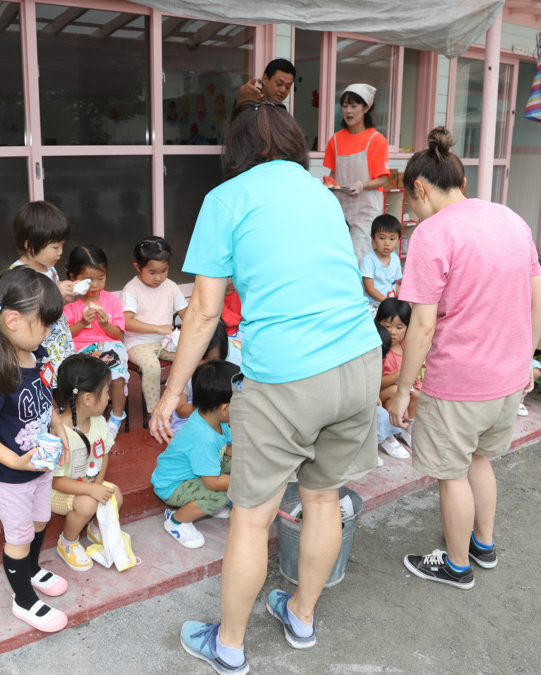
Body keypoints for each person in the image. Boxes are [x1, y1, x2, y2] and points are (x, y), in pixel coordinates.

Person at [151, 98, 381, 673]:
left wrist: (170, 392)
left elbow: (203, 310)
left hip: (287, 375)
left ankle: (228, 645)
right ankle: (300, 614)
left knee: (253, 517)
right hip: (358, 360)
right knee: (323, 497)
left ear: (236, 150)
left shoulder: (226, 199)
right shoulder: (320, 192)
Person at [388, 127, 541, 590]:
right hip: (507, 378)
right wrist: (527, 360)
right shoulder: (508, 218)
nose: (413, 213)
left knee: (451, 473)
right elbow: (539, 294)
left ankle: (456, 565)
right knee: (481, 461)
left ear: (419, 188)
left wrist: (403, 391)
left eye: (410, 202)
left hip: (458, 382)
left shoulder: (432, 234)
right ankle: (484, 544)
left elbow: (420, 324)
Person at [0, 266, 72, 632]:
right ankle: (23, 600)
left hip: (38, 462)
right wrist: (13, 460)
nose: (49, 332)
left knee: (41, 519)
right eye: (44, 324)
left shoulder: (35, 352)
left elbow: (44, 395)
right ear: (13, 320)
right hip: (9, 473)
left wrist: (58, 424)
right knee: (20, 535)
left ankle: (31, 569)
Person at [151, 359, 238, 549]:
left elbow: (229, 450)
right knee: (221, 494)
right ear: (225, 408)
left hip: (193, 474)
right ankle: (177, 521)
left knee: (238, 463)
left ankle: (201, 505)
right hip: (173, 486)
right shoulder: (204, 437)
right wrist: (243, 480)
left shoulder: (215, 419)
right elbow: (212, 482)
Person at [50, 353, 123, 572]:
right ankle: (68, 542)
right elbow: (57, 482)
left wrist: (98, 485)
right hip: (58, 493)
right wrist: (92, 490)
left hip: (88, 485)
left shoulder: (100, 421)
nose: (110, 396)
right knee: (87, 503)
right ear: (88, 399)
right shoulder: (59, 435)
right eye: (107, 391)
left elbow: (104, 455)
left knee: (115, 495)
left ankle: (93, 526)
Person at [63, 244, 129, 436]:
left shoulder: (111, 300)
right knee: (79, 379)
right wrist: (82, 323)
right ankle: (80, 415)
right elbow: (65, 335)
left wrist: (106, 324)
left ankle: (116, 417)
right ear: (73, 278)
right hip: (79, 348)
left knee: (117, 375)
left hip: (109, 344)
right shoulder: (69, 303)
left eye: (101, 278)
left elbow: (118, 334)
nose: (95, 285)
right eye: (87, 280)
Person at [122, 236, 188, 419]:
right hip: (138, 344)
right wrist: (157, 328)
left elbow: (185, 312)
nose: (159, 277)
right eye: (152, 272)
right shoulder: (131, 289)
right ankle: (155, 412)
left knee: (192, 357)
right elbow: (127, 322)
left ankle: (183, 401)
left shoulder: (171, 286)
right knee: (152, 367)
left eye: (164, 271)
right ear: (138, 267)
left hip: (165, 342)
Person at [11, 201, 77, 385]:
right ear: (30, 245)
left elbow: (52, 306)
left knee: (65, 388)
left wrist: (64, 299)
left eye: (62, 245)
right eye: (55, 247)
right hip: (37, 350)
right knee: (44, 392)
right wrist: (55, 293)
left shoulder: (51, 270)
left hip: (59, 345)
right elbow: (21, 313)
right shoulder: (17, 275)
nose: (61, 252)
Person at [324, 83, 390, 260]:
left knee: (360, 258)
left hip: (366, 212)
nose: (348, 111)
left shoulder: (377, 140)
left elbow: (383, 179)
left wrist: (363, 185)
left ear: (366, 108)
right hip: (340, 211)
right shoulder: (335, 140)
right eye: (345, 106)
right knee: (339, 257)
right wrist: (327, 186)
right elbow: (333, 175)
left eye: (354, 106)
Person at [170, 320, 230, 436]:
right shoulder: (183, 372)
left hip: (219, 418)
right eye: (201, 357)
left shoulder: (225, 368)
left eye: (215, 358)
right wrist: (208, 405)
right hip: (188, 420)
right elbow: (181, 410)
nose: (208, 364)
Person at [375, 297, 417, 459]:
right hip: (381, 394)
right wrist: (401, 374)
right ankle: (387, 434)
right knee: (395, 391)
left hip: (403, 393)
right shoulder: (381, 349)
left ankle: (407, 428)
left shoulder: (405, 346)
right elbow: (376, 383)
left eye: (399, 327)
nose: (393, 331)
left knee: (417, 393)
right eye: (387, 326)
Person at [360, 214, 403, 311]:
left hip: (389, 304)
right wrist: (387, 304)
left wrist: (404, 301)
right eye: (382, 238)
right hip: (372, 305)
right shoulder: (368, 260)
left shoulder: (395, 259)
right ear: (373, 238)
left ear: (398, 240)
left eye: (392, 239)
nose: (387, 243)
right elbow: (369, 288)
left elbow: (395, 284)